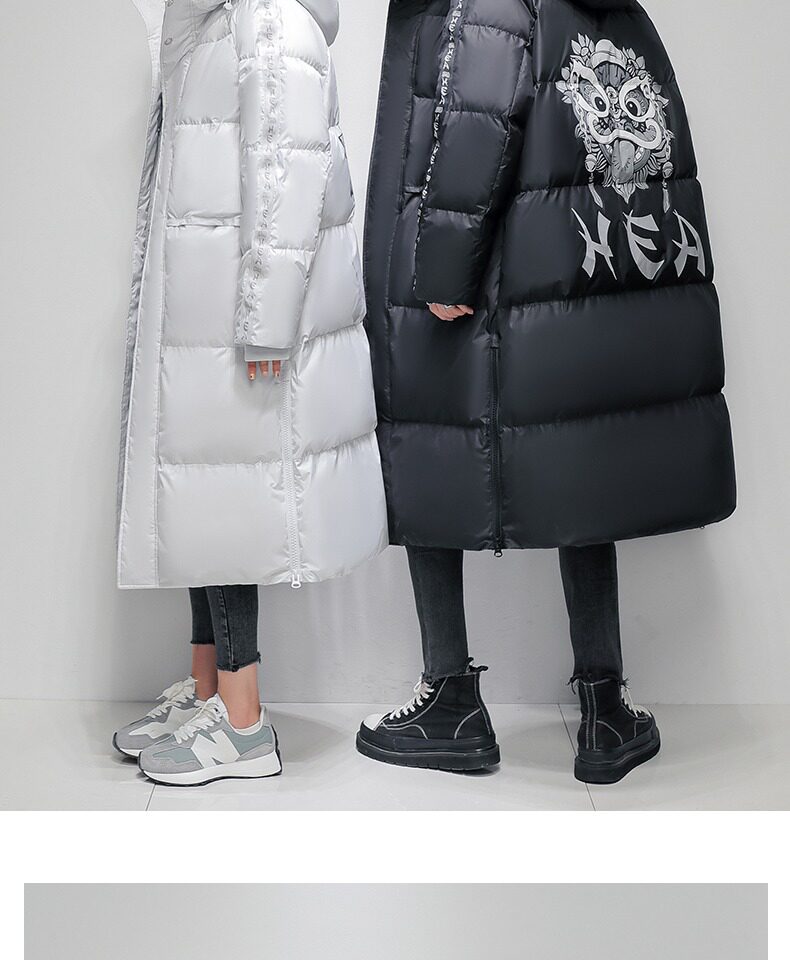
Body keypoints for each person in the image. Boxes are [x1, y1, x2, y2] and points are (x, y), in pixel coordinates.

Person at [359, 0, 736, 783]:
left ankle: (449, 698)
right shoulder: (610, 10)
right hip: (564, 265)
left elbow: (477, 115)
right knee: (578, 468)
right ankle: (605, 710)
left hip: (482, 271)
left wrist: (442, 269)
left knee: (428, 447)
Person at [114, 0, 387, 786]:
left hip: (242, 326)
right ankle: (207, 693)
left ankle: (241, 722)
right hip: (204, 320)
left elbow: (286, 175)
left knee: (228, 511)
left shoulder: (268, 21)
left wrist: (266, 322)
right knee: (201, 502)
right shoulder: (217, 22)